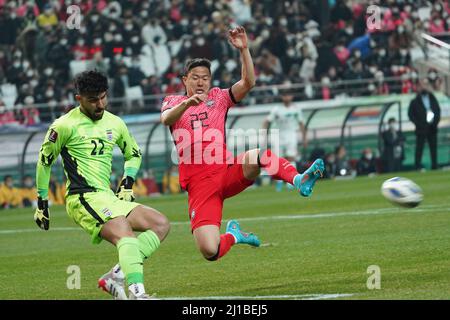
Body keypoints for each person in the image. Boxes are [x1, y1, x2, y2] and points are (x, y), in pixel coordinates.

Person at [160, 26, 324, 262]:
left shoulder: (218, 97)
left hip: (226, 171)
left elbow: (248, 82)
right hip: (200, 184)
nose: (200, 82)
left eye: (205, 78)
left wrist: (244, 49)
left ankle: (299, 180)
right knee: (210, 250)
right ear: (185, 80)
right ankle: (234, 236)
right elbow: (166, 118)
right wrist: (187, 104)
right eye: (195, 78)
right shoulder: (173, 101)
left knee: (259, 155)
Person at [34, 70, 170, 300]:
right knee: (124, 233)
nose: (100, 104)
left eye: (103, 97)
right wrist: (42, 203)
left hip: (107, 196)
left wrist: (127, 181)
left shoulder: (115, 122)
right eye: (93, 100)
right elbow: (44, 161)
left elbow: (133, 154)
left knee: (160, 224)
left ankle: (114, 277)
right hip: (82, 198)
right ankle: (139, 294)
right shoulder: (64, 126)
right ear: (79, 99)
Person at [262, 84, 308, 191]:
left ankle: (292, 182)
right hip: (279, 135)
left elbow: (302, 124)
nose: (286, 97)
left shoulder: (296, 109)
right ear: (282, 97)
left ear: (291, 96)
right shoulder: (277, 109)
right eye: (284, 95)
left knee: (291, 157)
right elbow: (266, 121)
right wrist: (264, 135)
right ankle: (279, 183)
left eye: (288, 95)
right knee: (278, 160)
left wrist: (305, 138)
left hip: (291, 135)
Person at [408, 80, 441, 170]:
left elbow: (437, 111)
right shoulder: (415, 101)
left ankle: (435, 165)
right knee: (419, 148)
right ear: (418, 87)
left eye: (425, 85)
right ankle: (417, 166)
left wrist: (435, 122)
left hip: (432, 127)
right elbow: (411, 115)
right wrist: (418, 124)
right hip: (421, 128)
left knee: (433, 148)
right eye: (422, 85)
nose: (424, 87)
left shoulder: (433, 98)